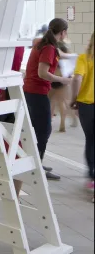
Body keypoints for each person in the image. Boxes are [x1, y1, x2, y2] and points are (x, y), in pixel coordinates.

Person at [23, 18, 72, 180]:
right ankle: (36, 167)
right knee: (43, 130)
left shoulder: (41, 42)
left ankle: (35, 162)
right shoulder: (49, 48)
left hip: (31, 91)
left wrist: (79, 56)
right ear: (63, 32)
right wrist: (62, 80)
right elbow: (42, 73)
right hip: (37, 92)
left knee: (38, 129)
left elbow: (62, 55)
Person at [70, 31, 94, 196]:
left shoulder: (84, 58)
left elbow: (77, 78)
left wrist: (74, 99)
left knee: (91, 140)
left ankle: (92, 176)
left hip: (86, 104)